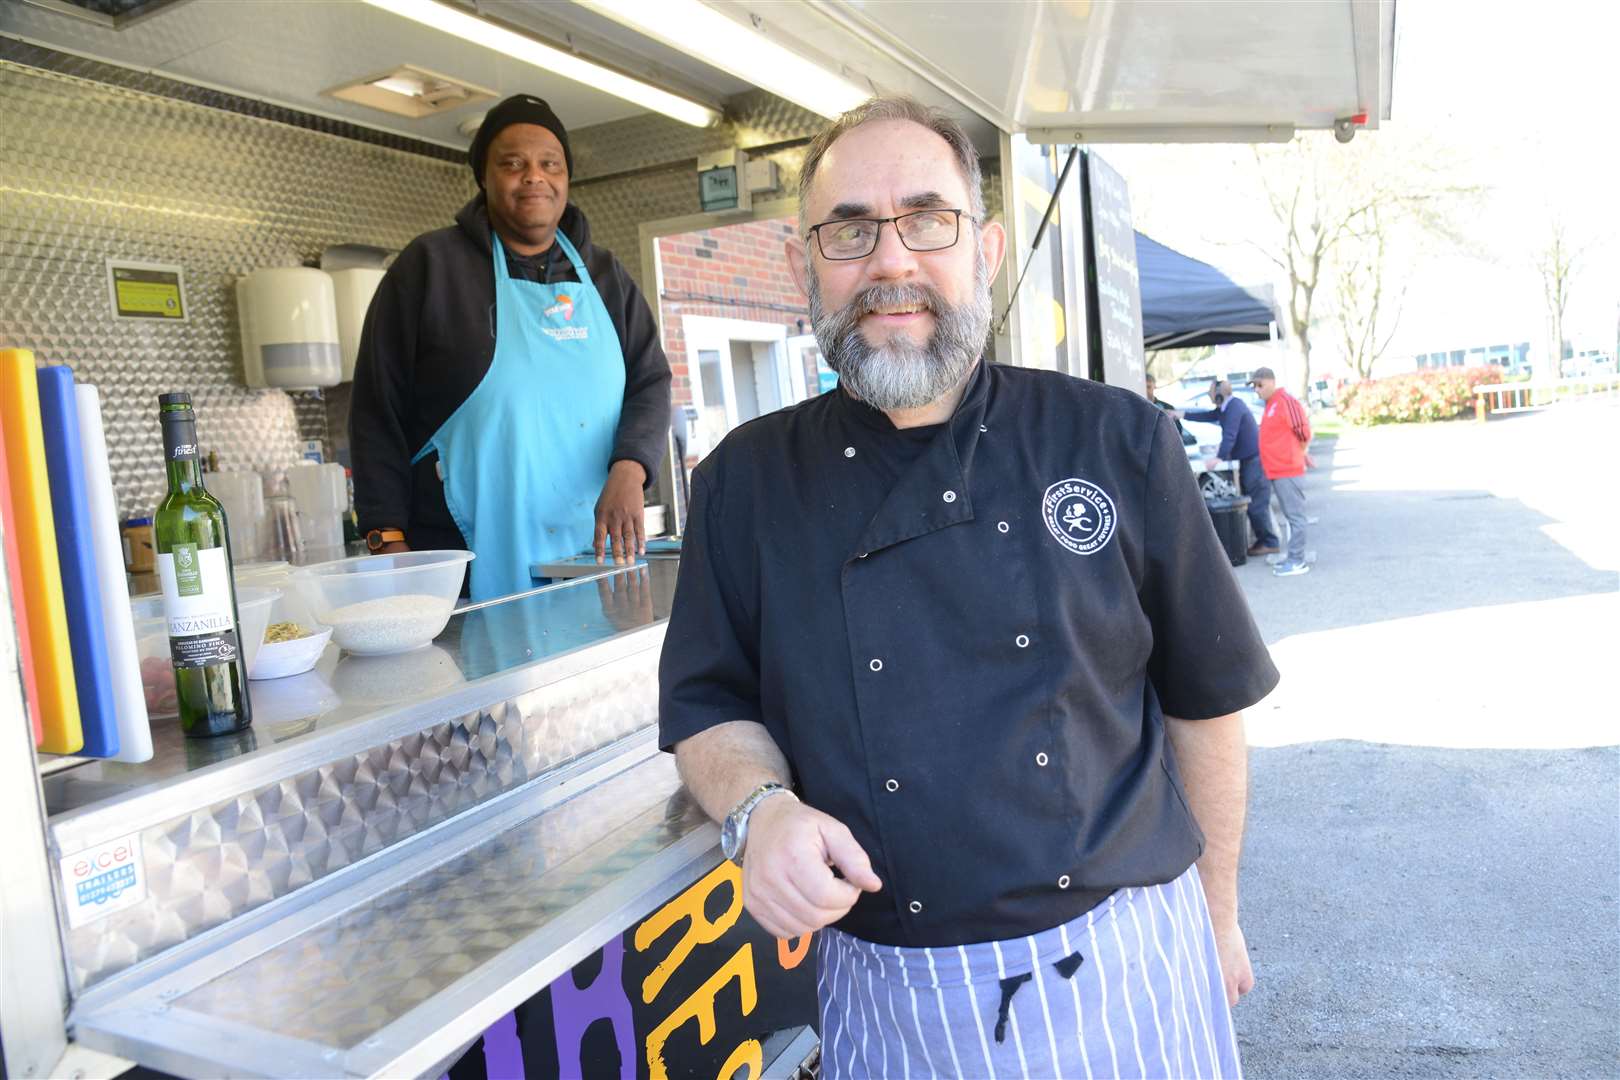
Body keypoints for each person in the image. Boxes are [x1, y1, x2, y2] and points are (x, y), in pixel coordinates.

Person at [659, 97, 1279, 1079]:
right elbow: (707, 708)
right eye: (850, 229)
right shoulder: (742, 482)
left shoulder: (1118, 440)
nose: (891, 262)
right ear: (801, 266)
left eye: (926, 219)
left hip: (1132, 969)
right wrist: (759, 810)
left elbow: (1208, 704)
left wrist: (1221, 916)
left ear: (984, 249)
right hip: (895, 1000)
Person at [350, 94, 672, 601]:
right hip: (459, 567)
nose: (534, 177)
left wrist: (631, 468)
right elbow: (376, 411)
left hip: (594, 556)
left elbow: (650, 381)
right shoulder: (430, 269)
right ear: (483, 175)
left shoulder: (608, 278)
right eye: (513, 163)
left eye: (550, 164)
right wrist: (386, 538)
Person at [1175, 379, 1279, 557]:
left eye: (1211, 394)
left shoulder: (1234, 408)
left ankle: (1269, 542)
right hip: (1249, 461)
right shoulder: (1228, 407)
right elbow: (1209, 415)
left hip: (1254, 462)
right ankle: (1264, 540)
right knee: (1253, 503)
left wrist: (1219, 458)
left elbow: (1230, 435)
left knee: (1256, 505)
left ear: (1219, 395)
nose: (1210, 397)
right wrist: (1182, 414)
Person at [1252, 366, 1313, 577]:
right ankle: (1293, 557)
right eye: (1254, 386)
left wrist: (1299, 453)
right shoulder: (1272, 404)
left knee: (1295, 517)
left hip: (1288, 469)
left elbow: (1303, 431)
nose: (1257, 390)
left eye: (1259, 385)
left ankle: (1297, 560)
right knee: (1290, 517)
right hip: (1278, 470)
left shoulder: (1285, 401)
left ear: (1270, 382)